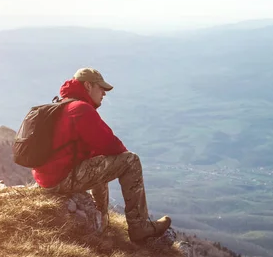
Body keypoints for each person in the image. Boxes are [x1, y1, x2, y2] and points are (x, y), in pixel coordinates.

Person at [32, 67, 171, 243]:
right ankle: (139, 227)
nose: (104, 94)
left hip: (48, 178)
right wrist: (118, 155)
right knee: (131, 161)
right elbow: (110, 145)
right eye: (101, 88)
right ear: (88, 86)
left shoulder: (62, 105)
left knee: (99, 161)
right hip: (62, 179)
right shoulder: (81, 109)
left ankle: (102, 219)